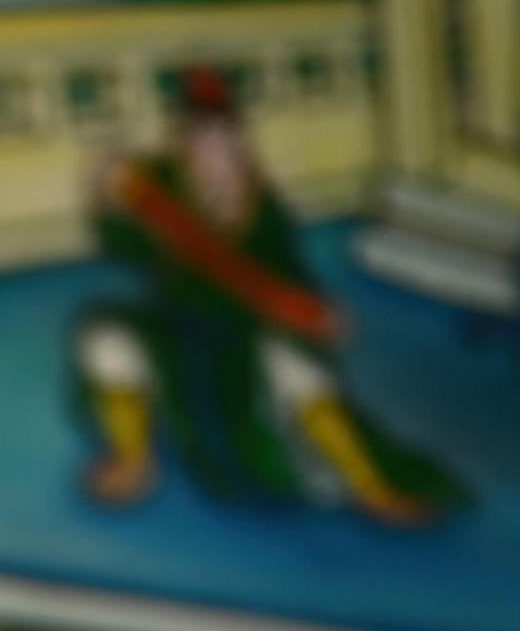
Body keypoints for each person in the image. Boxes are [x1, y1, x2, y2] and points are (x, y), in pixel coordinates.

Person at [68, 65, 465, 525]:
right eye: (200, 135)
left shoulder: (264, 206)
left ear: (238, 139)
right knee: (106, 341)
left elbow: (288, 276)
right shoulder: (156, 187)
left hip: (244, 334)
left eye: (223, 135)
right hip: (178, 329)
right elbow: (121, 245)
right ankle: (134, 462)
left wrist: (319, 314)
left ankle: (372, 490)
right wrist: (108, 198)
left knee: (294, 369)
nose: (213, 147)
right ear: (182, 140)